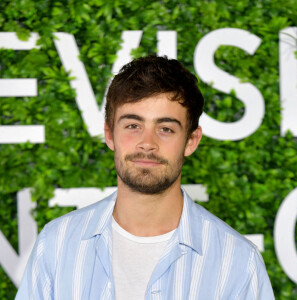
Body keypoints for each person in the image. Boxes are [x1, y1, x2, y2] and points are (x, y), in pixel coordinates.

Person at [16, 56, 274, 300]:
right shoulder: (57, 244)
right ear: (109, 134)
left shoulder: (238, 262)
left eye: (165, 129)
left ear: (191, 141)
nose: (147, 144)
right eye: (133, 125)